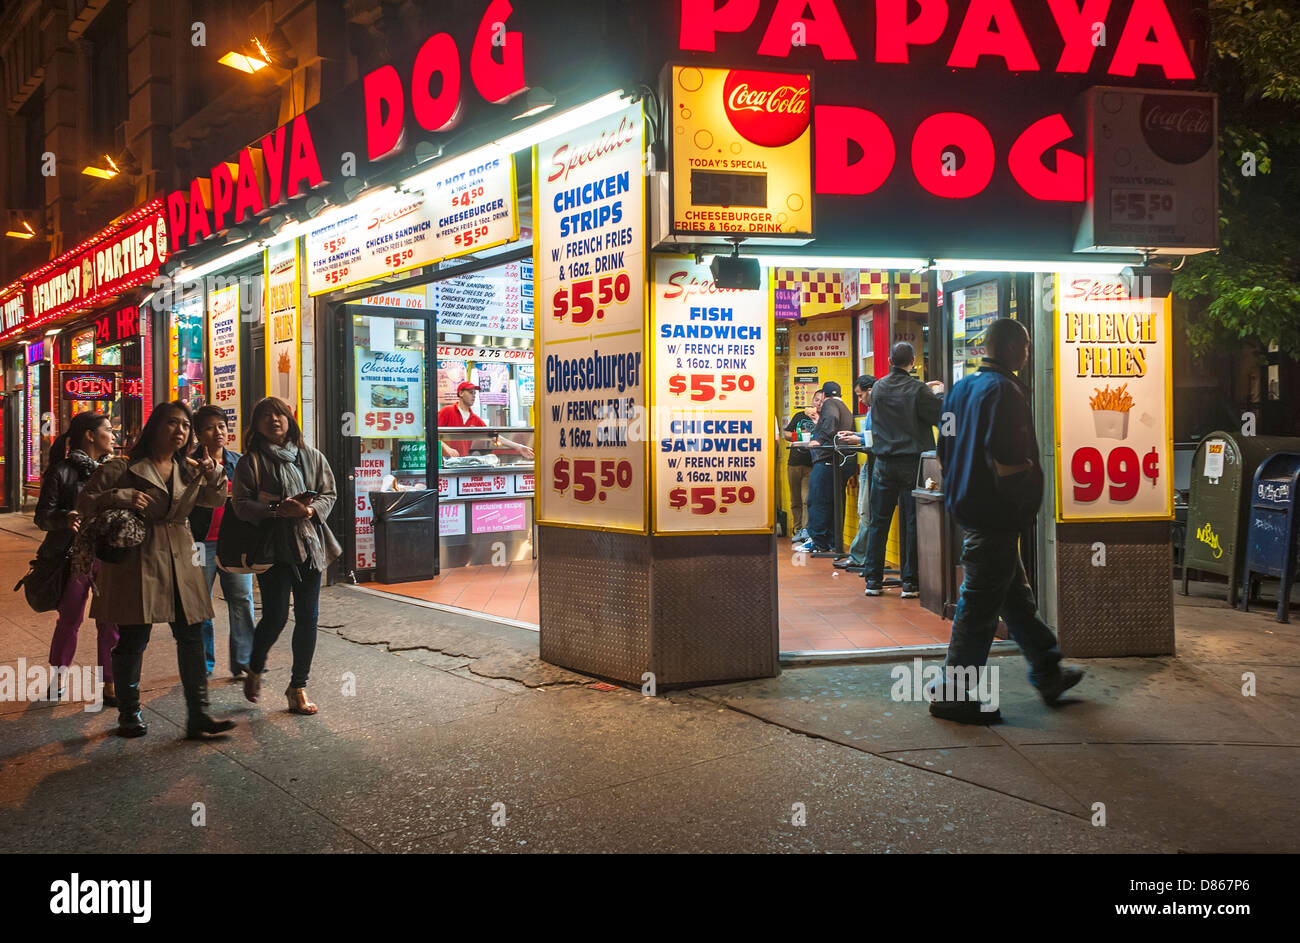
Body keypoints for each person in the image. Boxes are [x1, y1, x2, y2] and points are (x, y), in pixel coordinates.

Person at [933, 318, 1083, 723]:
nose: (1029, 353)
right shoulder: (1006, 391)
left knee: (1016, 602)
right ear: (1016, 348)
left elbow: (944, 449)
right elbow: (1010, 461)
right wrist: (1022, 506)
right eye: (1028, 346)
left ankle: (1049, 671)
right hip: (995, 516)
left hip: (970, 511)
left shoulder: (960, 390)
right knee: (978, 609)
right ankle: (953, 695)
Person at [77, 400, 235, 739]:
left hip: (181, 554)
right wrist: (120, 496)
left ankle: (199, 714)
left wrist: (214, 473)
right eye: (172, 423)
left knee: (191, 634)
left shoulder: (191, 468)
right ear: (155, 426)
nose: (180, 430)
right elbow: (85, 502)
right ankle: (129, 712)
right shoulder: (122, 466)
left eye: (185, 426)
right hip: (137, 557)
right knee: (134, 637)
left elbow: (215, 500)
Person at [233, 396, 341, 716]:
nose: (274, 420)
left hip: (309, 545)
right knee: (277, 616)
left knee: (308, 616)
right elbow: (240, 503)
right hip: (273, 546)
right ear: (257, 425)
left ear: (290, 419)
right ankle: (255, 667)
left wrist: (307, 509)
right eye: (265, 416)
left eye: (279, 413)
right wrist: (274, 510)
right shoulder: (250, 462)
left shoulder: (311, 456)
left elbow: (329, 493)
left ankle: (298, 687)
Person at [36, 411, 119, 705]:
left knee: (110, 620)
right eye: (108, 430)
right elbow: (42, 516)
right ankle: (58, 676)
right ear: (90, 435)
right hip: (75, 556)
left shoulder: (115, 469)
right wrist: (65, 517)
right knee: (70, 619)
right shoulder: (63, 471)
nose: (113, 435)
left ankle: (110, 682)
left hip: (108, 554)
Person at [861, 343, 944, 598]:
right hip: (913, 463)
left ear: (889, 360)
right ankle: (910, 582)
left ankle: (873, 580)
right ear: (913, 362)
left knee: (879, 523)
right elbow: (938, 416)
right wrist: (939, 393)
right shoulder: (918, 389)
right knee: (912, 522)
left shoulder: (878, 390)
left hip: (883, 463)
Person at [188, 405, 255, 679]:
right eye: (210, 427)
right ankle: (203, 662)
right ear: (198, 434)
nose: (218, 432)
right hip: (200, 544)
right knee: (201, 603)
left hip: (234, 542)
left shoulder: (239, 462)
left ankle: (244, 660)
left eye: (222, 426)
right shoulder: (187, 464)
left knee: (241, 600)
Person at [797, 381, 854, 554]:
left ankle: (818, 541)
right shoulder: (844, 406)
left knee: (818, 500)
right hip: (842, 461)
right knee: (834, 504)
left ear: (825, 395)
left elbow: (831, 422)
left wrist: (819, 440)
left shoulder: (830, 404)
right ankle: (833, 541)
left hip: (828, 460)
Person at [834, 376, 876, 570]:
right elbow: (869, 435)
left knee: (866, 511)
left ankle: (860, 556)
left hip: (876, 462)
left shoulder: (880, 409)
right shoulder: (871, 410)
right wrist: (855, 436)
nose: (859, 400)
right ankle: (861, 555)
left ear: (869, 390)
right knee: (864, 510)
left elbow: (878, 436)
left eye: (860, 395)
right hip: (869, 461)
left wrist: (858, 441)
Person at [437, 380, 534, 459]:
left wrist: (519, 447)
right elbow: (433, 434)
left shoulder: (475, 419)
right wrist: (446, 448)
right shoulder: (447, 411)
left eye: (475, 393)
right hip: (442, 463)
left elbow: (493, 436)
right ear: (461, 393)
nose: (474, 396)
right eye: (471, 392)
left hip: (460, 462)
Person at [783, 389, 823, 542]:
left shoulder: (823, 418)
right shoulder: (800, 416)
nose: (818, 403)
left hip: (811, 463)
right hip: (793, 463)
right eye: (816, 400)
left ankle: (806, 530)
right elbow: (786, 433)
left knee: (807, 498)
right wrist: (797, 436)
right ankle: (798, 528)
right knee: (795, 500)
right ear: (812, 400)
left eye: (821, 401)